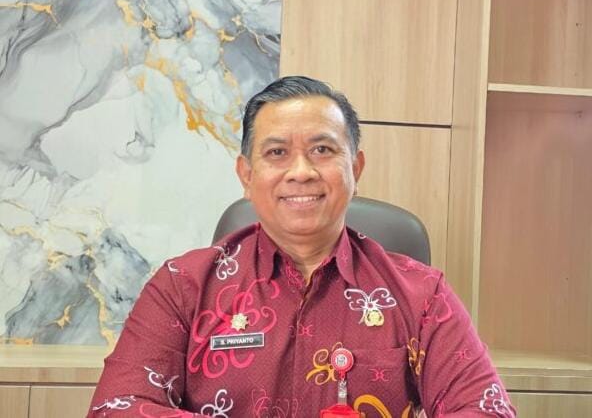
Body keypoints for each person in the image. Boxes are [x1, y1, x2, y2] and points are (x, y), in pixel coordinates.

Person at [88, 76, 516, 417]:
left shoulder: (421, 295)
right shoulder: (183, 286)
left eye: (322, 149)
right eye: (277, 152)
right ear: (246, 175)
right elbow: (117, 407)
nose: (301, 171)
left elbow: (486, 409)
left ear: (355, 168)